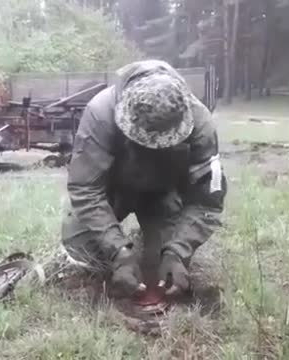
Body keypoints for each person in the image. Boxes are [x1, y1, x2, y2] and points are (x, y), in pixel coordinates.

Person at [60, 60, 227, 299]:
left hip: (164, 196)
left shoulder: (201, 124)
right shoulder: (101, 113)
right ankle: (126, 249)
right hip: (113, 192)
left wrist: (177, 252)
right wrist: (118, 251)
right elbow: (86, 189)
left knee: (163, 266)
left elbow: (207, 202)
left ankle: (156, 243)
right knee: (81, 249)